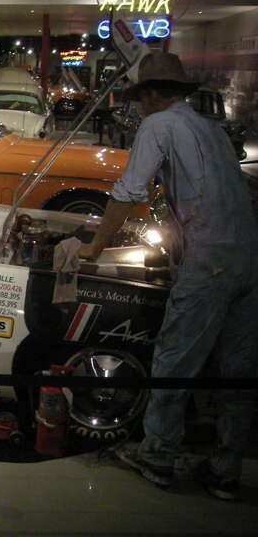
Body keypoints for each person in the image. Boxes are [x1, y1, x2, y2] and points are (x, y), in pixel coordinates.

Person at [78, 52, 258, 500]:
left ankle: (157, 456)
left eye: (141, 98)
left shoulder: (158, 124)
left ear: (153, 95)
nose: (140, 107)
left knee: (176, 360)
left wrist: (94, 248)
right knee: (238, 370)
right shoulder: (211, 129)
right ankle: (226, 469)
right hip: (249, 255)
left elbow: (129, 191)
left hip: (210, 259)